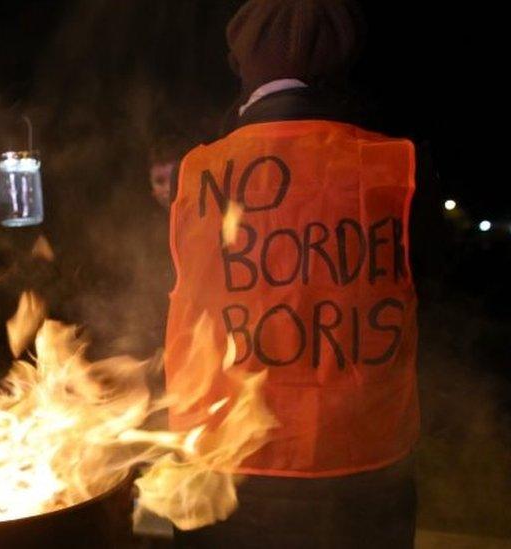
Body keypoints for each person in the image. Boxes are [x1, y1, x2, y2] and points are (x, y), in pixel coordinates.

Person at [165, 1, 420, 547]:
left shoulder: (200, 172)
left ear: (243, 67)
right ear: (341, 66)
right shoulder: (390, 165)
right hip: (362, 464)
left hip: (224, 460)